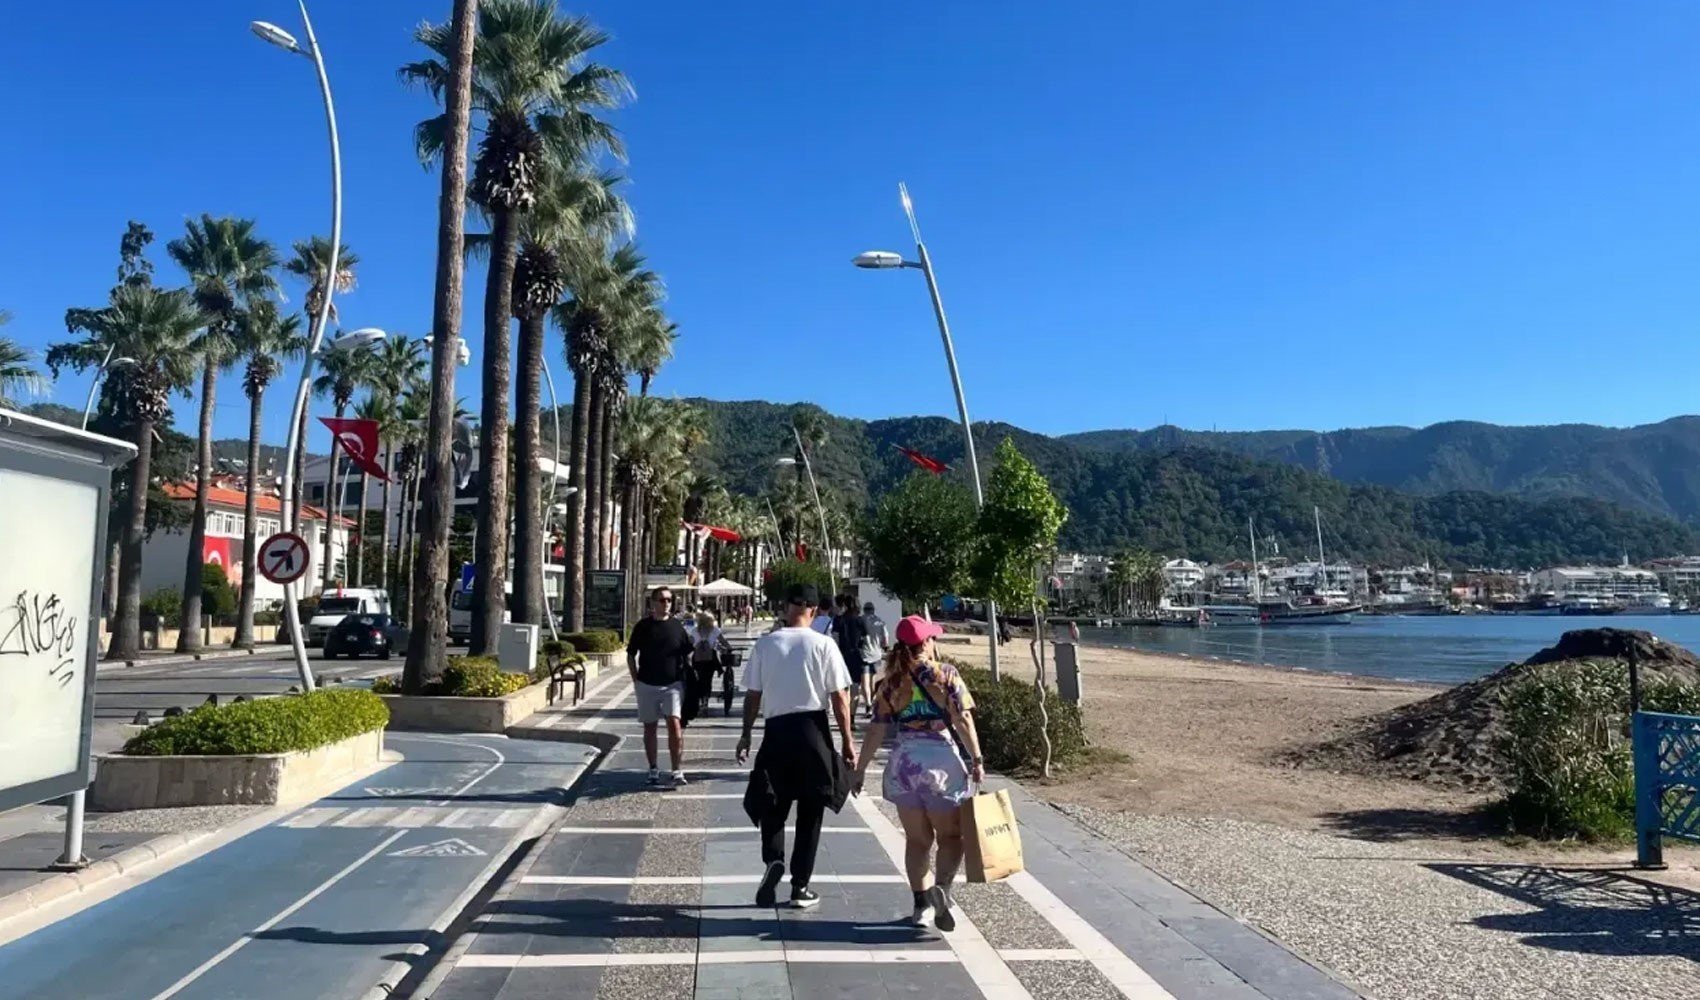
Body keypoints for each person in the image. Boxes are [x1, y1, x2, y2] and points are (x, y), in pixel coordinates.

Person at [851, 615, 986, 931]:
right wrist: (977, 759)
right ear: (926, 643)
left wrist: (859, 771)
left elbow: (875, 730)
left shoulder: (891, 682)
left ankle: (921, 906)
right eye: (932, 638)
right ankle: (942, 888)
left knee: (917, 840)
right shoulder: (946, 675)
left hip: (905, 767)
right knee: (951, 837)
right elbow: (963, 720)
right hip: (942, 767)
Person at [737, 584, 857, 910]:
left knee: (771, 800)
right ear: (815, 611)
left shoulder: (766, 644)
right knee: (811, 808)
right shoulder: (824, 645)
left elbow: (752, 695)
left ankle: (773, 859)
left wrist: (746, 733)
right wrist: (847, 741)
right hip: (813, 730)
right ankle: (800, 885)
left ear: (788, 607)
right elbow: (840, 697)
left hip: (776, 730)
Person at [626, 587, 695, 788]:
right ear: (653, 603)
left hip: (672, 685)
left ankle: (676, 770)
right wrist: (635, 679)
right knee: (650, 727)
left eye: (669, 600)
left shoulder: (677, 627)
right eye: (662, 600)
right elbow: (631, 654)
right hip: (647, 684)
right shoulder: (643, 627)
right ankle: (653, 768)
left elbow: (687, 653)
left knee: (674, 724)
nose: (666, 604)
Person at [831, 595, 871, 718]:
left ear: (845, 605)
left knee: (843, 689)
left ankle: (844, 714)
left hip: (842, 657)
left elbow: (835, 639)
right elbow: (867, 640)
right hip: (857, 656)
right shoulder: (861, 620)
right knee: (855, 689)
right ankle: (851, 717)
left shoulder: (838, 620)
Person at [691, 610, 731, 714]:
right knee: (708, 680)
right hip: (710, 660)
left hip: (698, 659)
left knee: (699, 679)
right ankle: (705, 701)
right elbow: (723, 641)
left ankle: (701, 700)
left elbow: (690, 643)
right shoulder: (715, 630)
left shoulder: (695, 631)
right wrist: (729, 648)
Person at [858, 601, 889, 716]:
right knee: (872, 680)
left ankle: (868, 705)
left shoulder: (860, 620)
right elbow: (885, 640)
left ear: (864, 609)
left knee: (865, 682)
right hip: (877, 654)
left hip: (864, 654)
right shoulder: (880, 622)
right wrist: (883, 647)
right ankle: (871, 702)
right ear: (873, 610)